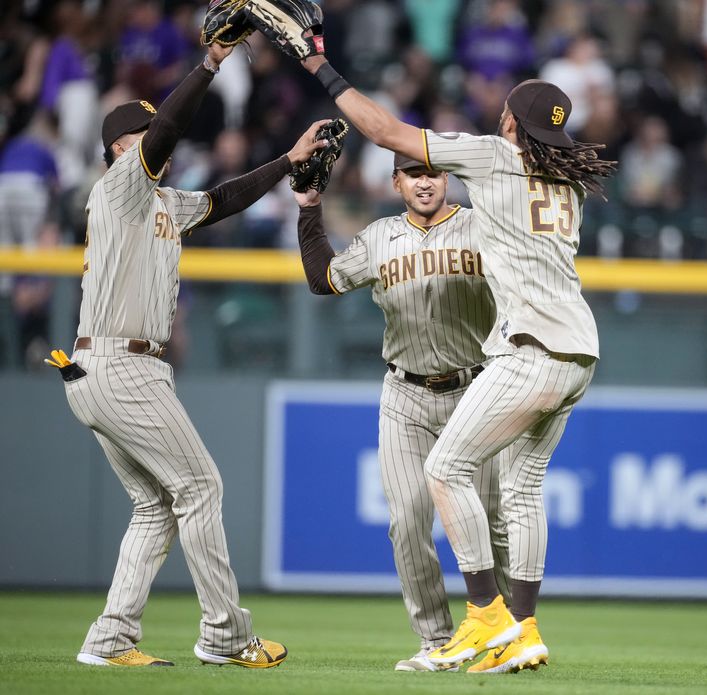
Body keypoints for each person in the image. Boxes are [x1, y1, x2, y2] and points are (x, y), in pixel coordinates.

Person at [299, 48, 615, 673]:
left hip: (530, 348)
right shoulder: (567, 180)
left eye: (504, 116)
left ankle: (483, 618)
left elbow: (386, 130)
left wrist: (319, 70)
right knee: (522, 490)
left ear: (510, 127)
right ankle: (522, 630)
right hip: (580, 349)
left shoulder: (498, 158)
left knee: (445, 469)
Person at [62, 41, 328, 668]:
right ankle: (226, 634)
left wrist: (288, 161)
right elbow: (168, 131)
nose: (161, 139)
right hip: (120, 365)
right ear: (119, 150)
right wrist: (211, 62)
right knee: (202, 486)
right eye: (145, 134)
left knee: (157, 507)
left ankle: (109, 640)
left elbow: (223, 201)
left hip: (105, 368)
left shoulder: (159, 203)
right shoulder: (121, 188)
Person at [293, 151, 510, 672]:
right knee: (407, 519)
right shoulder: (378, 238)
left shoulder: (482, 228)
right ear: (396, 182)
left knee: (492, 521)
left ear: (447, 177)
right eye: (414, 173)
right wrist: (308, 207)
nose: (425, 182)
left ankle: (506, 630)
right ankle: (436, 639)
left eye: (433, 172)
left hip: (473, 390)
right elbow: (323, 279)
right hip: (405, 394)